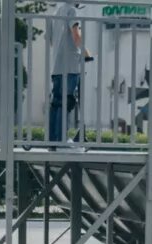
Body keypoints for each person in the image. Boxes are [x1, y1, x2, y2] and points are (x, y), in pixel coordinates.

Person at [47, 2, 85, 142]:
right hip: (70, 65)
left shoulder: (55, 12)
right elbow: (76, 35)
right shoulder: (72, 11)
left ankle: (53, 140)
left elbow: (51, 40)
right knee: (67, 101)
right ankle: (62, 139)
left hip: (57, 64)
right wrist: (85, 53)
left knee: (56, 102)